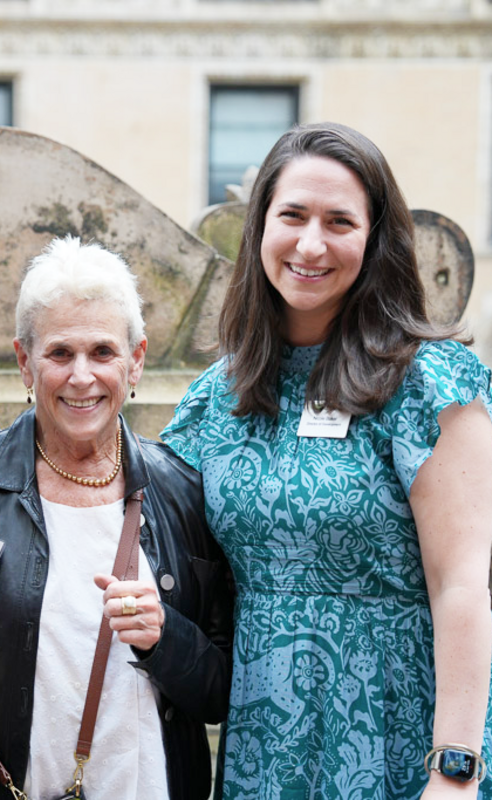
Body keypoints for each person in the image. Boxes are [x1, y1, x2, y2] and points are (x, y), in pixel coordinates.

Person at [161, 121, 492, 799]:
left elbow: (462, 585)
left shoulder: (431, 383)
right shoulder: (217, 397)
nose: (311, 244)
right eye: (293, 216)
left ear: (375, 240)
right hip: (264, 747)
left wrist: (455, 768)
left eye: (339, 221)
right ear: (260, 228)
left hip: (399, 736)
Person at [0, 235, 234, 800]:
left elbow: (221, 692)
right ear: (25, 362)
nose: (82, 376)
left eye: (103, 352)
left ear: (136, 361)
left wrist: (166, 637)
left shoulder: (182, 490)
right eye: (60, 353)